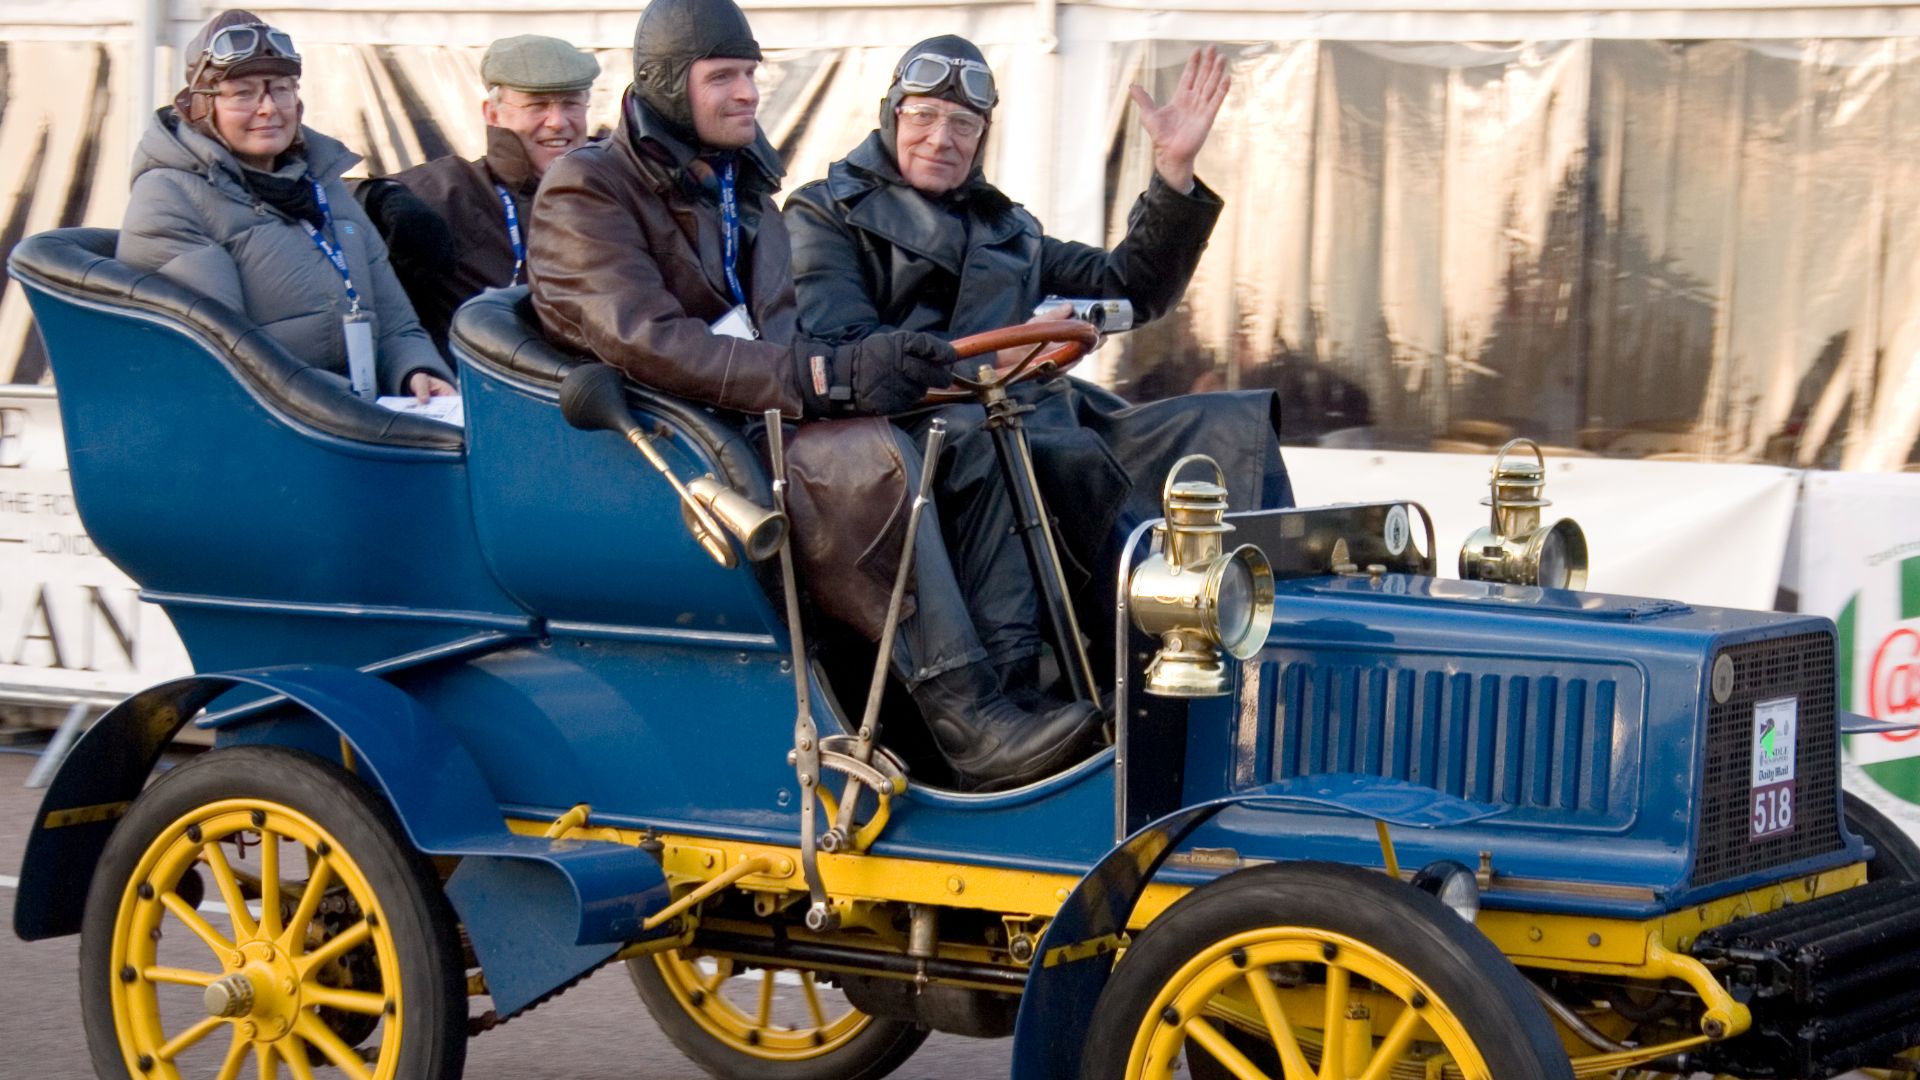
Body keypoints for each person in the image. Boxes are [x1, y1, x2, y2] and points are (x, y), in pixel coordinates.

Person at [527, 0, 1102, 789]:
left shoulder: (739, 187)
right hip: (666, 441)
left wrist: (868, 362)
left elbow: (785, 332)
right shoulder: (585, 189)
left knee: (964, 431)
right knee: (868, 459)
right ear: (663, 83)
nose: (747, 94)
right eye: (722, 76)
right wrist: (825, 380)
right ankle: (964, 719)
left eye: (751, 75)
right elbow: (653, 344)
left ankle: (1011, 690)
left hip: (744, 417)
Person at [784, 36, 1292, 673]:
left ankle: (1259, 635)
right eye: (923, 116)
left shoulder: (1009, 229)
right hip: (904, 436)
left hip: (1021, 412)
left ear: (982, 136)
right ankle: (1061, 672)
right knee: (1050, 453)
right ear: (891, 117)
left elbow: (1131, 289)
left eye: (963, 123)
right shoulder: (824, 211)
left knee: (1214, 429)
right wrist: (1004, 357)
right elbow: (850, 350)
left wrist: (1172, 173)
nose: (941, 138)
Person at [117, 10, 454, 402]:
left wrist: (416, 371)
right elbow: (224, 358)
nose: (268, 108)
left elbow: (396, 322)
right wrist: (349, 408)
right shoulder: (170, 198)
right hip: (264, 432)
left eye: (281, 88)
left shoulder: (321, 183)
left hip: (351, 418)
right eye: (243, 93)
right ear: (200, 106)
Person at [360, 34, 600, 356]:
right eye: (537, 105)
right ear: (492, 113)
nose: (557, 121)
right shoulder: (454, 189)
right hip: (494, 389)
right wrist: (381, 196)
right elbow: (327, 198)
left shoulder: (616, 184)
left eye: (571, 102)